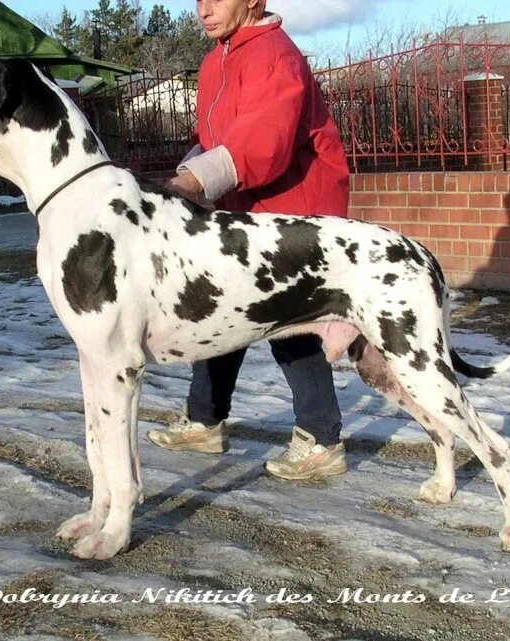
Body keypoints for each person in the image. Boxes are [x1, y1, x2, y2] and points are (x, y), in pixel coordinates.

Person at [146, 0, 351, 481]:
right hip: (244, 214)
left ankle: (322, 439)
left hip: (297, 210)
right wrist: (188, 171)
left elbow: (263, 142)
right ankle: (204, 420)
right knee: (219, 312)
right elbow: (215, 136)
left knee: (292, 324)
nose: (204, 8)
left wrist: (194, 184)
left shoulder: (274, 54)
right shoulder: (217, 59)